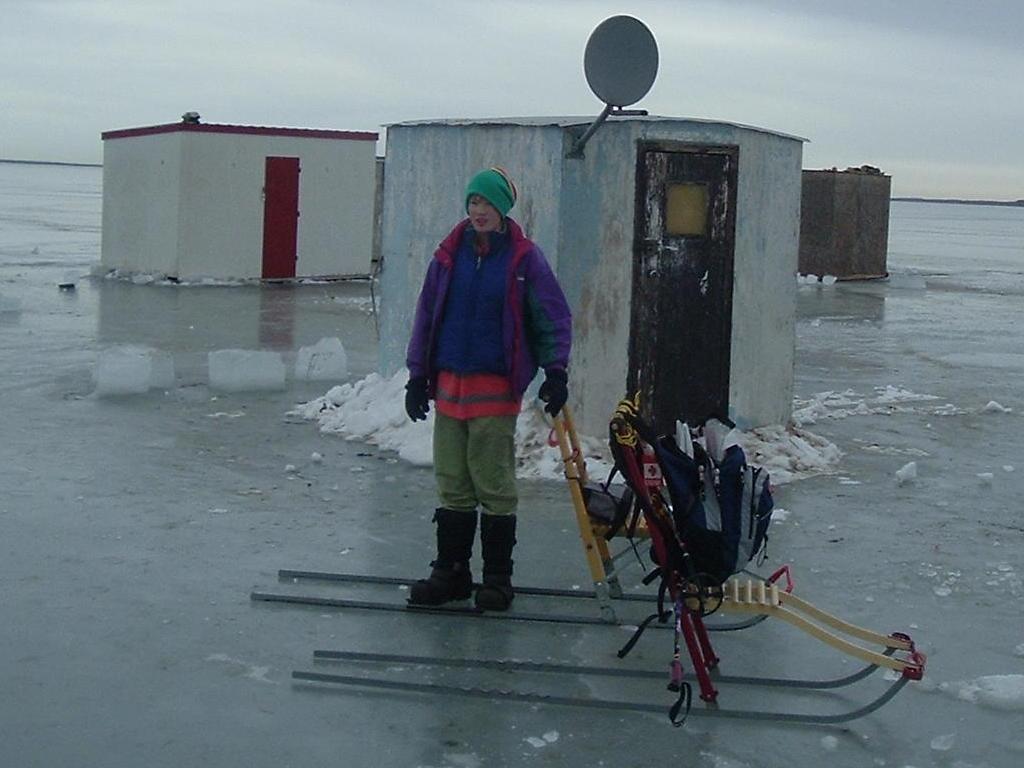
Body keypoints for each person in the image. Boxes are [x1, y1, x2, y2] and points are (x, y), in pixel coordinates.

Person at [404, 167, 572, 611]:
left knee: (493, 480)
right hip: (450, 384)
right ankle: (451, 572)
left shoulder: (523, 259)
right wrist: (417, 375)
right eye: (473, 202)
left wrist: (556, 370)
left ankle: (498, 578)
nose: (479, 211)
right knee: (453, 480)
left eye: (488, 204)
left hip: (496, 385)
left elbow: (552, 315)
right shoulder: (447, 255)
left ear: (502, 209)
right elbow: (427, 315)